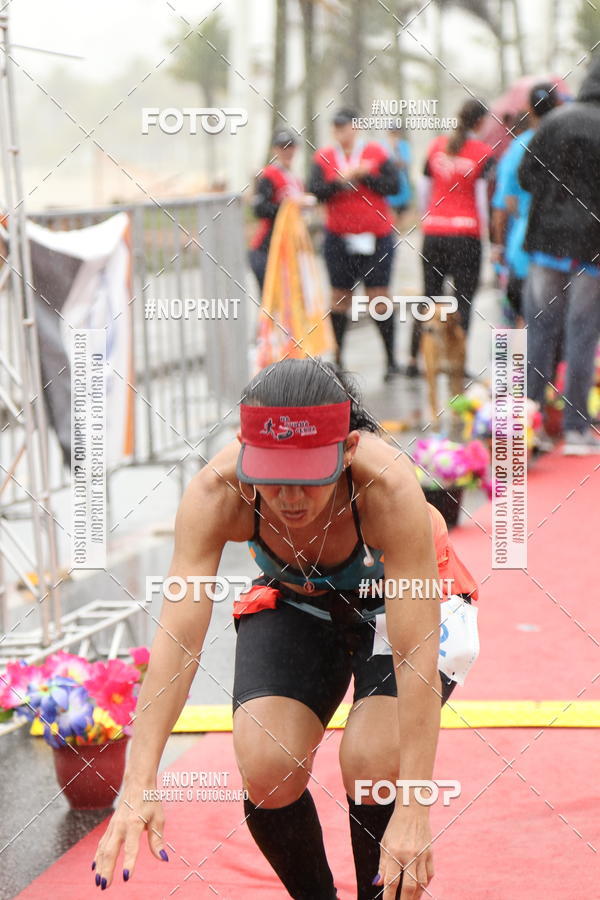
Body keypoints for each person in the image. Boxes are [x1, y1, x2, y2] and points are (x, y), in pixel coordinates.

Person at [91, 357, 479, 900]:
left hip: (402, 606)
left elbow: (414, 653)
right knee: (267, 763)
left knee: (372, 762)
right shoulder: (214, 495)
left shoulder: (388, 491)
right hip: (303, 600)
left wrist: (414, 807)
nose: (290, 499)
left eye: (307, 480)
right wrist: (138, 780)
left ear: (346, 453)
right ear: (247, 456)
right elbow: (178, 643)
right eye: (272, 479)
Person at [518, 57, 600, 455]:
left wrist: (557, 197)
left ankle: (530, 428)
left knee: (541, 330)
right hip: (591, 249)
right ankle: (576, 429)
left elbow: (525, 178)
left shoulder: (553, 122)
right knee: (582, 334)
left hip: (547, 245)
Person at [308, 108, 402, 381]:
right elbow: (314, 189)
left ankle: (391, 361)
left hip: (377, 236)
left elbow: (394, 186)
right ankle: (337, 360)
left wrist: (364, 176)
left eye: (345, 126)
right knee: (339, 298)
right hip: (339, 238)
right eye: (336, 128)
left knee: (379, 297)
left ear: (356, 127)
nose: (341, 132)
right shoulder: (324, 157)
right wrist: (339, 182)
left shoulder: (376, 153)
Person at [407, 100, 492, 378]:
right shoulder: (482, 153)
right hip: (466, 234)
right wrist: (487, 237)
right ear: (479, 122)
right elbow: (481, 199)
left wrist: (428, 218)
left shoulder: (436, 146)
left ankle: (414, 358)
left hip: (434, 232)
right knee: (463, 299)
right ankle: (456, 361)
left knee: (429, 295)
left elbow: (424, 188)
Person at [491, 84, 562, 328]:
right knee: (553, 325)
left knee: (513, 320)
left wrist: (499, 245)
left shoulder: (518, 147)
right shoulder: (569, 141)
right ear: (560, 105)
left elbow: (504, 205)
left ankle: (514, 366)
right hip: (563, 251)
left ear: (530, 109)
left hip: (523, 248)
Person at [248, 129, 313, 293]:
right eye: (282, 147)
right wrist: (290, 205)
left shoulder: (295, 179)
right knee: (273, 303)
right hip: (267, 248)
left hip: (289, 248)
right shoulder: (268, 175)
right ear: (274, 150)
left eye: (290, 147)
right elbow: (259, 209)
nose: (287, 151)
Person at [383, 125, 413, 228]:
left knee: (402, 210)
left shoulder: (403, 146)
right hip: (388, 184)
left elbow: (405, 162)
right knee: (389, 210)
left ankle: (400, 229)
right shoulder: (383, 146)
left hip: (402, 183)